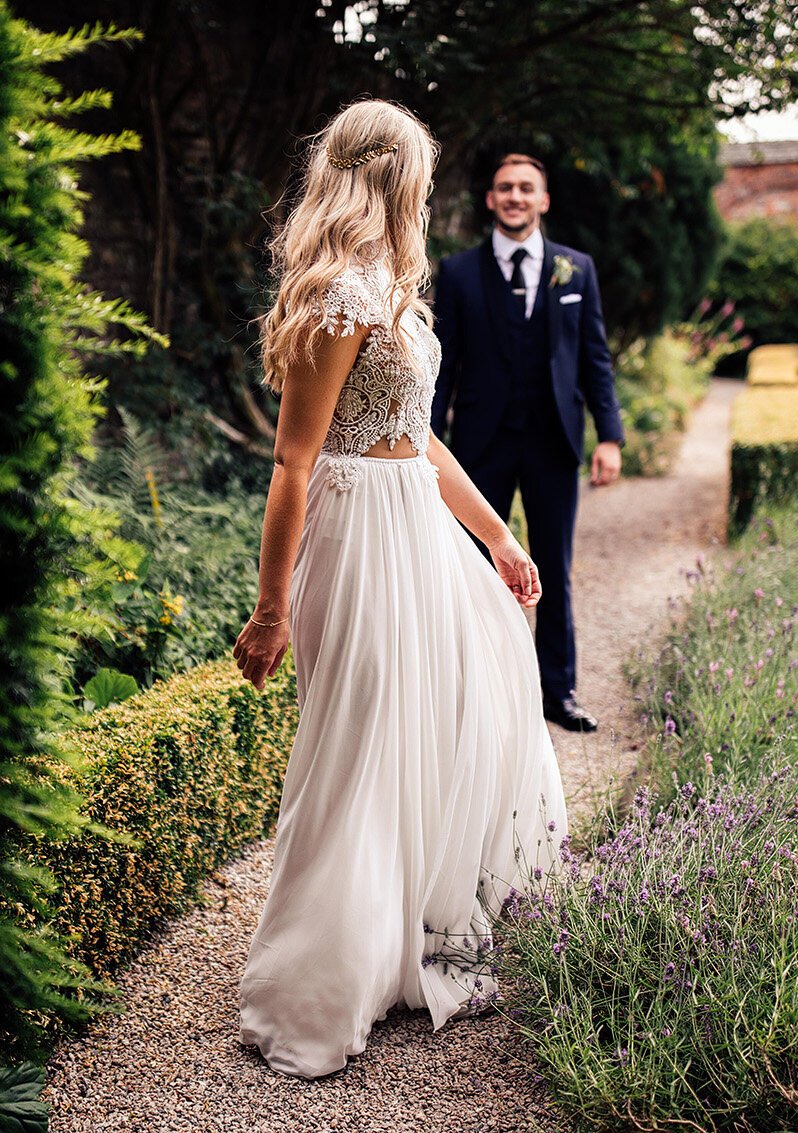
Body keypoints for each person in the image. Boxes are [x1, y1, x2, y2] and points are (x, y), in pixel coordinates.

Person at [232, 100, 569, 1081]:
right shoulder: (338, 289)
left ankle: (404, 947)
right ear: (388, 174)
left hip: (416, 524)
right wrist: (270, 607)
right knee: (362, 757)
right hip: (357, 536)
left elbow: (416, 436)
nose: (428, 189)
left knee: (472, 699)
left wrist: (498, 535)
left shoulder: (390, 285)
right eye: (419, 172)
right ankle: (318, 988)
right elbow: (294, 463)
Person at [430, 153, 624, 733]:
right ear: (490, 200)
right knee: (477, 566)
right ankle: (480, 694)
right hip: (479, 444)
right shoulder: (459, 272)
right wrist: (425, 441)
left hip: (553, 442)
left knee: (553, 568)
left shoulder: (576, 269)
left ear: (543, 200)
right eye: (504, 188)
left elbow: (595, 359)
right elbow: (443, 365)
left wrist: (609, 435)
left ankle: (557, 693)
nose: (515, 196)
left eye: (526, 188)